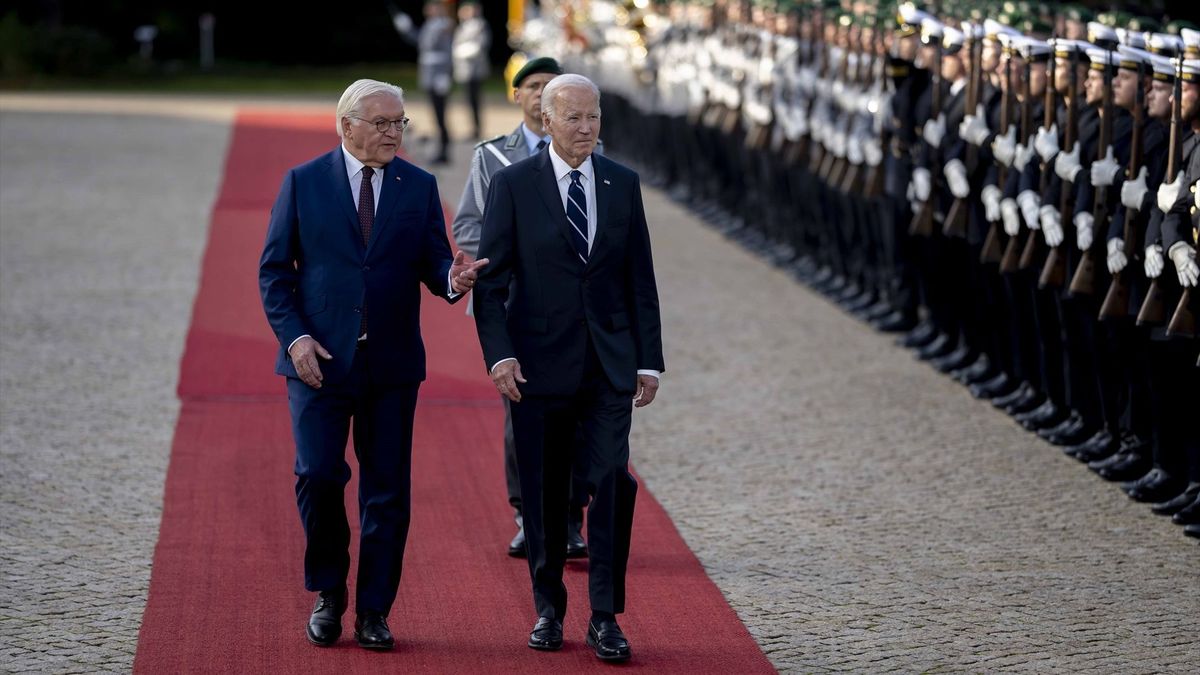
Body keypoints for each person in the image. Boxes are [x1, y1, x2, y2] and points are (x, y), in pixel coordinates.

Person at [258, 78, 486, 650]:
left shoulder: (418, 185)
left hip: (391, 365)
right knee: (317, 474)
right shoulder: (303, 182)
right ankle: (329, 591)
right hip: (319, 362)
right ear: (347, 126)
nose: (393, 134)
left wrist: (454, 280)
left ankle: (374, 611)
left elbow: (436, 264)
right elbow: (274, 274)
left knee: (386, 492)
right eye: (382, 124)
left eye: (399, 123)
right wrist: (295, 339)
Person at [473, 73, 664, 661]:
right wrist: (500, 354)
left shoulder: (622, 183)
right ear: (546, 119)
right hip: (537, 367)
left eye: (594, 117)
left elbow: (640, 278)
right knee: (545, 492)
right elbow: (491, 283)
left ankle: (605, 615)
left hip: (608, 367)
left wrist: (649, 361)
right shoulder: (511, 184)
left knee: (610, 482)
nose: (585, 128)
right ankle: (549, 608)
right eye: (574, 117)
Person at [451, 56, 590, 560]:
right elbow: (468, 226)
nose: (541, 93)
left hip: (575, 309)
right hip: (516, 306)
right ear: (517, 95)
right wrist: (509, 260)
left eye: (549, 85)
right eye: (532, 86)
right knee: (524, 415)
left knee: (577, 413)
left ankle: (571, 518)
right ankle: (528, 516)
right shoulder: (493, 157)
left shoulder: (590, 150)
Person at [392, 0, 455, 164]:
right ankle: (441, 149)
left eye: (432, 6)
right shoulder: (431, 24)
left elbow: (448, 51)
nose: (427, 9)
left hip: (438, 75)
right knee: (436, 114)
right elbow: (421, 42)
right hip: (430, 75)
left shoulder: (444, 25)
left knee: (441, 115)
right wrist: (407, 29)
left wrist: (446, 74)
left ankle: (444, 150)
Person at [452, 0, 491, 140]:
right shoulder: (462, 26)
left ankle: (476, 129)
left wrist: (460, 51)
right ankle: (473, 127)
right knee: (468, 101)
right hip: (464, 69)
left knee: (474, 100)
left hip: (474, 70)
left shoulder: (480, 25)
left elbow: (480, 46)